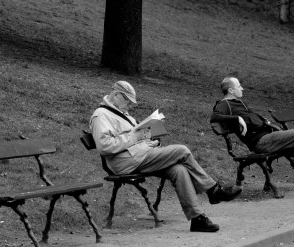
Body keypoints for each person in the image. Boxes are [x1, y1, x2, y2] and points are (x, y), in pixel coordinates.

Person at [90, 81, 242, 233]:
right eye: (128, 101)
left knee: (179, 170)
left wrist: (150, 137)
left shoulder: (121, 113)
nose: (130, 106)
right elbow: (105, 146)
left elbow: (134, 137)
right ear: (116, 95)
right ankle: (214, 190)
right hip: (127, 161)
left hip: (140, 156)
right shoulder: (101, 115)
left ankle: (198, 219)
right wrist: (135, 137)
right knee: (182, 150)